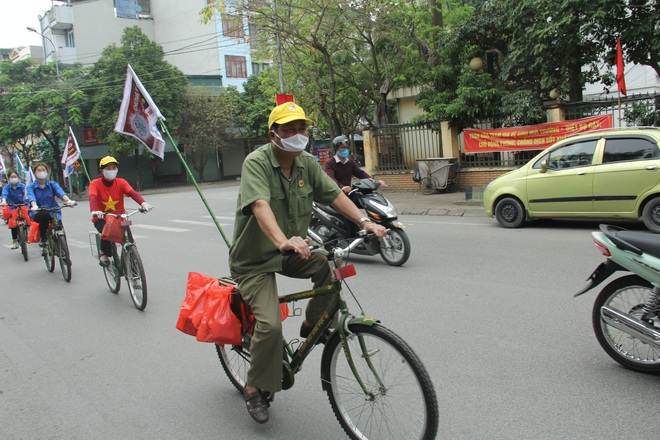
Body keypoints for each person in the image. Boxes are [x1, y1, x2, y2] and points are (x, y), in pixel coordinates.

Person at [229, 102, 386, 424]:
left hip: (294, 252)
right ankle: (254, 387)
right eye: (289, 130)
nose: (297, 135)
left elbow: (334, 195)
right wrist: (280, 240)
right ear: (273, 135)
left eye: (302, 129)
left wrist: (364, 221)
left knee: (326, 266)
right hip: (255, 259)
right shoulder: (256, 163)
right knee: (270, 326)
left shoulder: (307, 163)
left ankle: (310, 325)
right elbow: (260, 204)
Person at [88, 156, 152, 267]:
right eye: (108, 168)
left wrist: (143, 203)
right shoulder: (95, 183)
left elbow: (132, 193)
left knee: (130, 242)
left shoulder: (121, 182)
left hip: (119, 217)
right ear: (102, 170)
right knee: (106, 231)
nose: (111, 170)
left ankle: (134, 274)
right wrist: (95, 210)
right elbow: (92, 197)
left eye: (114, 167)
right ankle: (103, 252)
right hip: (101, 217)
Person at [27, 163, 77, 247]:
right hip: (38, 212)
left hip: (53, 210)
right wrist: (34, 205)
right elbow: (31, 197)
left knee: (59, 226)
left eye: (44, 170)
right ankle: (44, 239)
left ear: (47, 172)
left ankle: (63, 248)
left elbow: (60, 192)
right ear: (35, 173)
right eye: (39, 170)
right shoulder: (31, 186)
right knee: (44, 215)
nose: (41, 172)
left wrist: (68, 200)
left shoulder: (52, 184)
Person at [0, 170, 28, 249]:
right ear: (9, 178)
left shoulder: (22, 186)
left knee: (29, 216)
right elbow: (4, 195)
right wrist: (4, 201)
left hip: (22, 205)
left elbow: (26, 194)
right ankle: (15, 240)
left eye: (15, 177)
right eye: (12, 177)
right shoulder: (6, 187)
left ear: (18, 177)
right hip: (12, 207)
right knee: (13, 223)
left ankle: (28, 230)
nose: (14, 178)